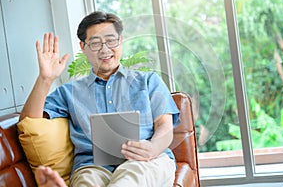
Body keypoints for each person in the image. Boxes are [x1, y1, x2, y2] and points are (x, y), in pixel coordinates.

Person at [19, 11, 180, 187]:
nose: (105, 49)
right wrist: (45, 79)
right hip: (92, 167)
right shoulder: (69, 92)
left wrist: (153, 148)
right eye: (95, 43)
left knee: (130, 177)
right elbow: (29, 122)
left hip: (147, 161)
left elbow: (164, 126)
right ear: (83, 47)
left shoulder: (149, 81)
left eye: (111, 40)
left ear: (120, 41)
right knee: (87, 182)